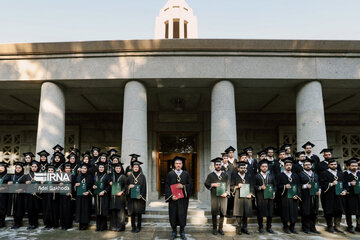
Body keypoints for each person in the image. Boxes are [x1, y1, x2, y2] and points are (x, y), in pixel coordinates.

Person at [165, 156, 193, 240]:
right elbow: (167, 186)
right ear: (174, 164)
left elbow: (190, 185)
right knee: (173, 215)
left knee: (182, 214)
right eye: (176, 163)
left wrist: (183, 186)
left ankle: (182, 231)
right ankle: (174, 231)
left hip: (183, 200)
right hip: (173, 199)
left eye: (180, 163)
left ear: (182, 164)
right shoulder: (170, 174)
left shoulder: (186, 174)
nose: (178, 165)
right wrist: (171, 196)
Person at [319, 158, 346, 233]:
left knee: (339, 210)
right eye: (332, 164)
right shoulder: (324, 173)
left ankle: (337, 226)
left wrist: (344, 190)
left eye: (335, 164)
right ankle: (330, 226)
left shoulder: (340, 173)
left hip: (339, 195)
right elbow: (322, 184)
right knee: (329, 210)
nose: (334, 166)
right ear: (328, 165)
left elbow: (344, 184)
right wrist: (331, 184)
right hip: (328, 195)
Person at [204, 157, 230, 236]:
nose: (218, 166)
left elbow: (228, 185)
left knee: (222, 213)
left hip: (223, 196)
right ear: (214, 165)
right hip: (214, 196)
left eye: (219, 164)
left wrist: (227, 192)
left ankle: (220, 228)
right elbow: (206, 184)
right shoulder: (211, 175)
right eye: (217, 164)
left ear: (221, 165)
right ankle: (214, 228)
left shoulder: (225, 175)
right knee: (214, 213)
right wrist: (213, 184)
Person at [277, 157, 301, 234]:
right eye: (287, 165)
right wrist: (284, 186)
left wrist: (297, 195)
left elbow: (298, 186)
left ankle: (292, 227)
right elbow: (277, 186)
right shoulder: (280, 175)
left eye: (290, 165)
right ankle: (286, 227)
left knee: (294, 212)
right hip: (284, 197)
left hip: (294, 197)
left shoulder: (295, 175)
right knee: (285, 212)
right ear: (284, 166)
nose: (288, 166)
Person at [299, 157, 321, 234]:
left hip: (315, 195)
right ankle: (306, 227)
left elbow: (318, 183)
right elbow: (298, 185)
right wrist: (305, 186)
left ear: (311, 165)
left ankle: (313, 227)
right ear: (303, 166)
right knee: (306, 211)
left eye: (309, 164)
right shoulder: (301, 174)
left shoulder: (315, 174)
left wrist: (319, 190)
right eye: (306, 165)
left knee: (314, 212)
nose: (308, 166)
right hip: (305, 196)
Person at [231, 161, 253, 235]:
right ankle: (239, 228)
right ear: (238, 169)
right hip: (238, 197)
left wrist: (251, 193)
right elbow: (231, 186)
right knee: (239, 213)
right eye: (241, 168)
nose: (243, 169)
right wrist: (237, 186)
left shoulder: (249, 176)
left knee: (246, 213)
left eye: (244, 168)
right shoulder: (234, 176)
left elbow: (252, 186)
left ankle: (245, 228)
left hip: (247, 197)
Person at [254, 159, 276, 234]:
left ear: (268, 167)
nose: (264, 168)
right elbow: (254, 186)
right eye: (263, 166)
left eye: (266, 166)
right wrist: (260, 187)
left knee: (270, 212)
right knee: (260, 212)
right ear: (260, 167)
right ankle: (260, 227)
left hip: (270, 197)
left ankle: (269, 227)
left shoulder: (271, 176)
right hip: (260, 197)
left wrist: (274, 192)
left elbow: (275, 186)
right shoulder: (257, 176)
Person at [127, 159, 146, 233]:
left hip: (139, 198)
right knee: (132, 213)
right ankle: (133, 227)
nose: (135, 168)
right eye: (134, 167)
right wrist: (129, 186)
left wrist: (141, 195)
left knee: (139, 213)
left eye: (137, 167)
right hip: (131, 198)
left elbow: (144, 187)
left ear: (139, 168)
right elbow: (125, 185)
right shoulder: (129, 176)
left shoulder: (142, 176)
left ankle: (139, 226)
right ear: (133, 168)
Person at [8, 161, 27, 229]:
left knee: (19, 209)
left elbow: (26, 186)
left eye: (19, 168)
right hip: (13, 195)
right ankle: (15, 222)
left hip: (21, 196)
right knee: (14, 209)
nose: (18, 169)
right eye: (16, 168)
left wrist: (22, 190)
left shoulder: (24, 177)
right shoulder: (12, 176)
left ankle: (19, 222)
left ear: (22, 169)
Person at [75, 163, 94, 230]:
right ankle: (80, 223)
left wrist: (88, 192)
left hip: (87, 196)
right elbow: (75, 185)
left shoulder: (89, 177)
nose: (83, 170)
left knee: (86, 210)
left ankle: (85, 224)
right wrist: (76, 185)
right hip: (80, 196)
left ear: (87, 169)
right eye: (82, 168)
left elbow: (92, 186)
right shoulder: (78, 176)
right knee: (80, 209)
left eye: (85, 168)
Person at [343, 157, 360, 233]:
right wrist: (350, 183)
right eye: (353, 166)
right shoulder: (345, 174)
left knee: (359, 210)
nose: (354, 167)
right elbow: (342, 184)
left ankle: (358, 226)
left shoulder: (359, 173)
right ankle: (350, 226)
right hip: (349, 195)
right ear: (349, 166)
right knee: (349, 211)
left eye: (356, 166)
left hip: (359, 194)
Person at [109, 163, 127, 232]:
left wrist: (122, 192)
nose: (118, 169)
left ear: (121, 169)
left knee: (120, 213)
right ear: (114, 169)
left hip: (120, 197)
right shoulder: (112, 176)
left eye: (119, 168)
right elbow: (108, 183)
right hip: (113, 197)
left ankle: (120, 227)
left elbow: (126, 186)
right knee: (113, 212)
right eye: (116, 168)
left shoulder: (123, 177)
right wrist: (110, 183)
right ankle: (113, 226)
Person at [93, 162, 110, 231]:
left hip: (104, 196)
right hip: (97, 196)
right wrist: (93, 186)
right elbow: (93, 184)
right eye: (100, 167)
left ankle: (103, 227)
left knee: (103, 211)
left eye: (102, 167)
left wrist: (104, 191)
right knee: (98, 212)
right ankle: (98, 226)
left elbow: (109, 186)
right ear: (98, 168)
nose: (101, 168)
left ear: (104, 168)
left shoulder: (107, 176)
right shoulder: (95, 176)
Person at [42, 164, 60, 229]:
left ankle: (54, 223)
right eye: (49, 170)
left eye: (52, 170)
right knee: (47, 210)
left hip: (54, 196)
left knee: (54, 210)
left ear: (54, 171)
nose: (50, 171)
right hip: (46, 196)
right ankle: (48, 224)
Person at [25, 160, 42, 230]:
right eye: (32, 166)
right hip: (29, 195)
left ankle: (35, 224)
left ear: (37, 167)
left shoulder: (40, 175)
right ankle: (30, 223)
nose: (34, 168)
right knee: (30, 209)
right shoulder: (27, 175)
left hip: (36, 195)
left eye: (35, 167)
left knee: (35, 210)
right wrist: (26, 183)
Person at [59, 163, 75, 230]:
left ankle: (68, 225)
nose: (67, 169)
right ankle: (62, 224)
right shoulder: (61, 176)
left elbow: (74, 186)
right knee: (62, 210)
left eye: (69, 168)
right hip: (62, 196)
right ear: (64, 169)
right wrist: (59, 184)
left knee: (68, 211)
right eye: (66, 168)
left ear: (70, 169)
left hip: (69, 196)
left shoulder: (73, 176)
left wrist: (70, 192)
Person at [0, 161, 11, 228]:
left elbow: (10, 185)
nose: (0, 168)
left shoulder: (8, 176)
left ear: (5, 168)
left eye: (2, 167)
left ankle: (2, 221)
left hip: (3, 194)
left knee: (2, 208)